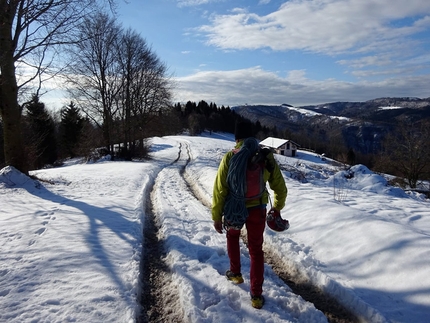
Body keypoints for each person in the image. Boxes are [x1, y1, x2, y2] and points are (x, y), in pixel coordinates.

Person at [211, 121, 288, 309]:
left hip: (234, 209)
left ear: (237, 138)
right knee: (256, 250)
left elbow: (220, 190)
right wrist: (276, 207)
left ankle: (236, 274)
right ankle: (256, 295)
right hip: (257, 210)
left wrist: (216, 215)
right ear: (252, 137)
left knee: (233, 237)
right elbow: (280, 187)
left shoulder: (230, 157)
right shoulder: (264, 156)